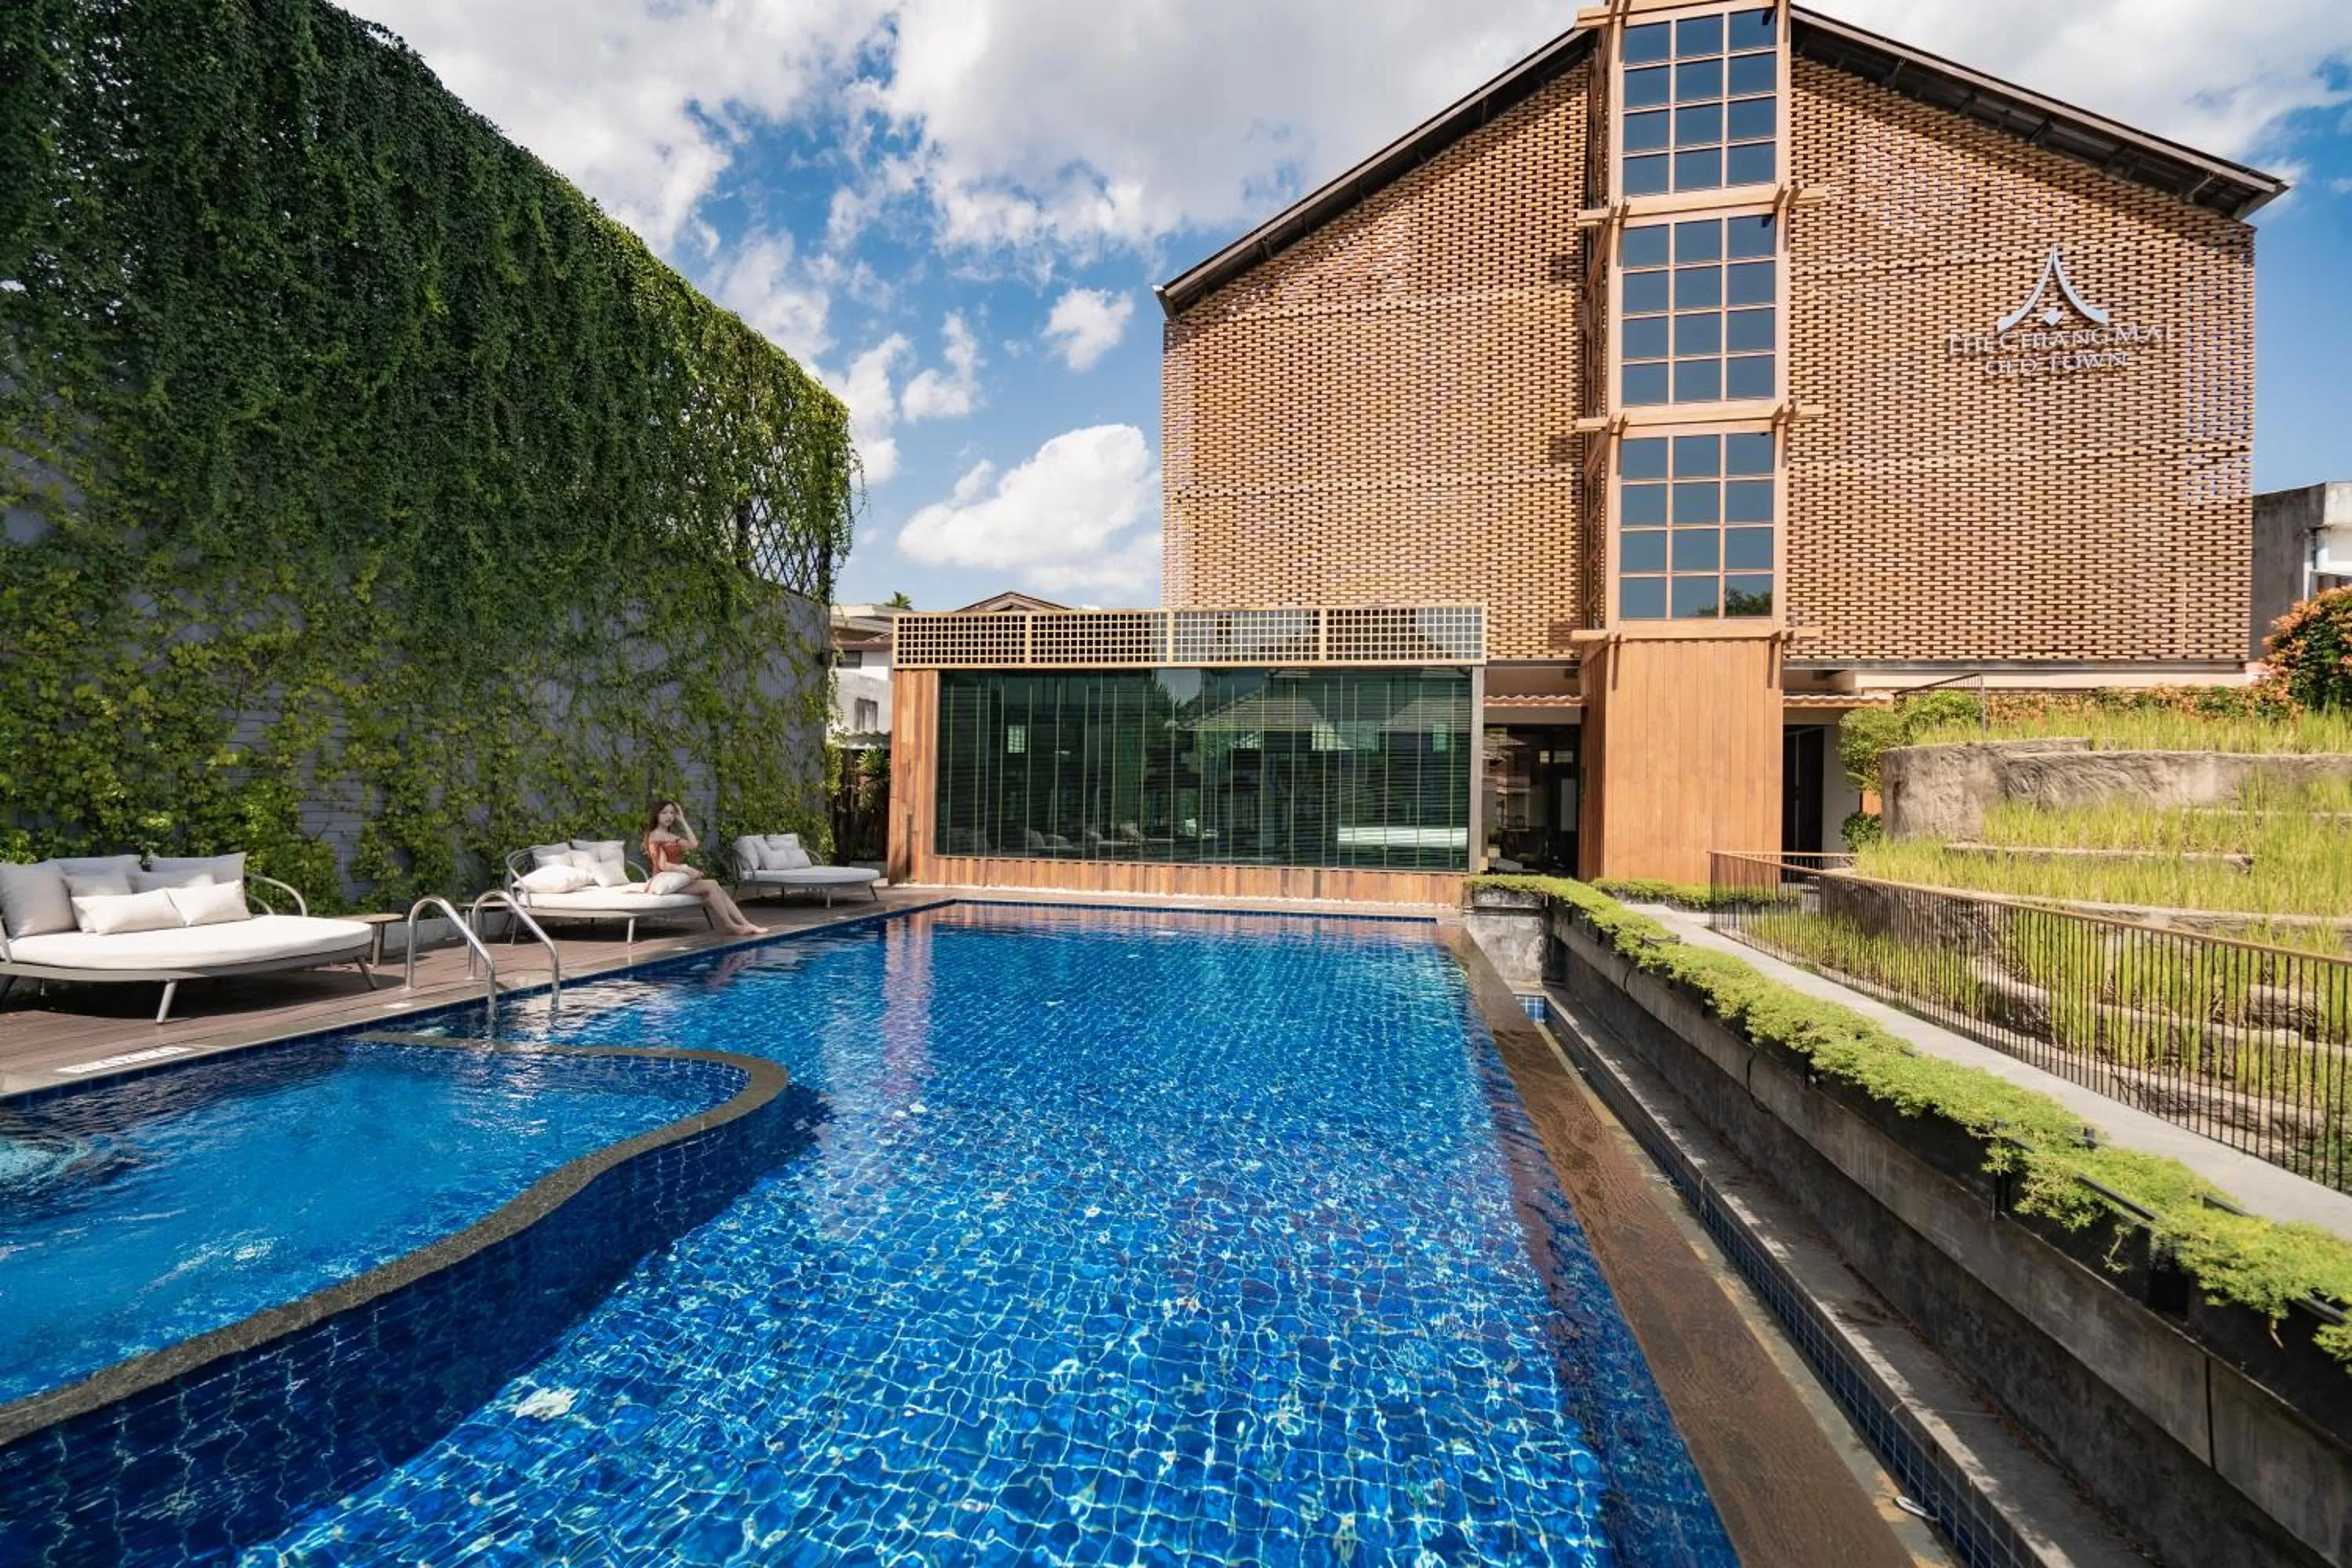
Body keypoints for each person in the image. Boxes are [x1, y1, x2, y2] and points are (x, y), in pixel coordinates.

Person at [643, 799, 762, 937]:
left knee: (714, 888)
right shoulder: (655, 835)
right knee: (711, 885)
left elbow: (693, 845)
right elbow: (662, 865)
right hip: (663, 881)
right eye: (664, 813)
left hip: (675, 879)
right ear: (657, 815)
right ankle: (733, 926)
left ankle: (745, 924)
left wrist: (683, 821)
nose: (669, 816)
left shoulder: (671, 836)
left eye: (672, 813)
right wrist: (687, 870)